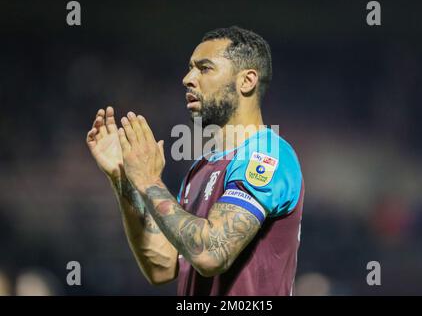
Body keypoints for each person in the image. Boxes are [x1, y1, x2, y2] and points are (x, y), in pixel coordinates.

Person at [86, 26, 304, 296]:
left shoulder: (268, 155)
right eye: (190, 68)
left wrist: (149, 180)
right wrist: (125, 179)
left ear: (247, 81)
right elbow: (161, 265)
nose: (187, 78)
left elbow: (211, 253)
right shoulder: (200, 168)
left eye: (205, 68)